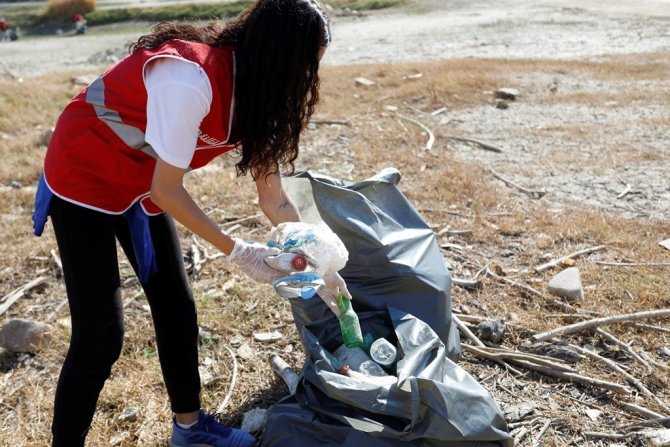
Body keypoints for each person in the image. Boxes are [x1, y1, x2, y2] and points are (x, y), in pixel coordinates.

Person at [31, 0, 350, 446]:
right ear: (277, 55)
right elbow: (167, 191)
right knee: (101, 334)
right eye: (304, 66)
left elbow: (274, 198)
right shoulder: (190, 78)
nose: (307, 80)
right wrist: (239, 252)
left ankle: (190, 428)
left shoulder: (260, 96)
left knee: (177, 308)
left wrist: (319, 265)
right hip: (84, 171)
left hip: (143, 181)